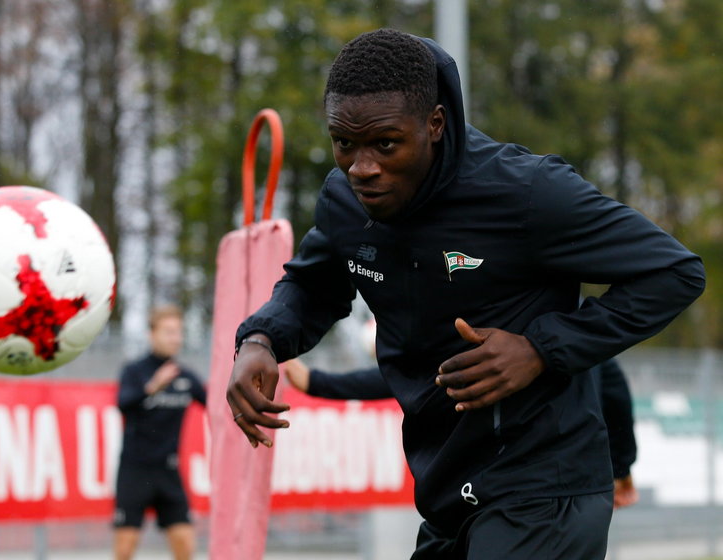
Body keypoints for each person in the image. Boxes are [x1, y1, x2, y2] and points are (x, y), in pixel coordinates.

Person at [226, 28, 704, 559]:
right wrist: (262, 339)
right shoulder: (344, 202)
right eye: (344, 143)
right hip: (449, 488)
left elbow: (674, 272)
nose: (362, 168)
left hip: (544, 485)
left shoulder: (526, 193)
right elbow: (313, 286)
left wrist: (541, 347)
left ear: (434, 124)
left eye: (385, 144)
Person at [285, 355, 640, 509]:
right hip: (553, 493)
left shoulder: (494, 305)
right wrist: (622, 467)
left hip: (516, 494)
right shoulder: (570, 314)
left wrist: (318, 382)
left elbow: (417, 372)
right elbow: (614, 388)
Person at [113, 305, 206, 560]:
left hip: (168, 471)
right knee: (124, 549)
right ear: (151, 334)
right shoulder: (135, 371)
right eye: (168, 332)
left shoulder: (185, 376)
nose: (175, 338)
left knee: (186, 547)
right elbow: (122, 404)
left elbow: (217, 405)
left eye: (178, 332)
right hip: (135, 470)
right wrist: (153, 386)